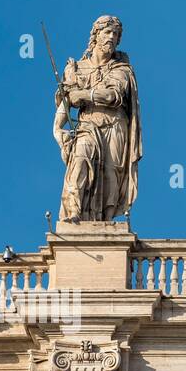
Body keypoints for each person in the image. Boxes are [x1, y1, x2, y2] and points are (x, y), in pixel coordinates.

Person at [54, 15, 142, 223]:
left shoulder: (121, 69)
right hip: (88, 125)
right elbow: (65, 104)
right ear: (96, 35)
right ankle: (74, 212)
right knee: (80, 159)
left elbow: (113, 96)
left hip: (115, 126)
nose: (111, 37)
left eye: (116, 34)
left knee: (112, 176)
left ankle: (106, 222)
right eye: (107, 32)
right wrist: (57, 129)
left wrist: (83, 95)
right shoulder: (77, 68)